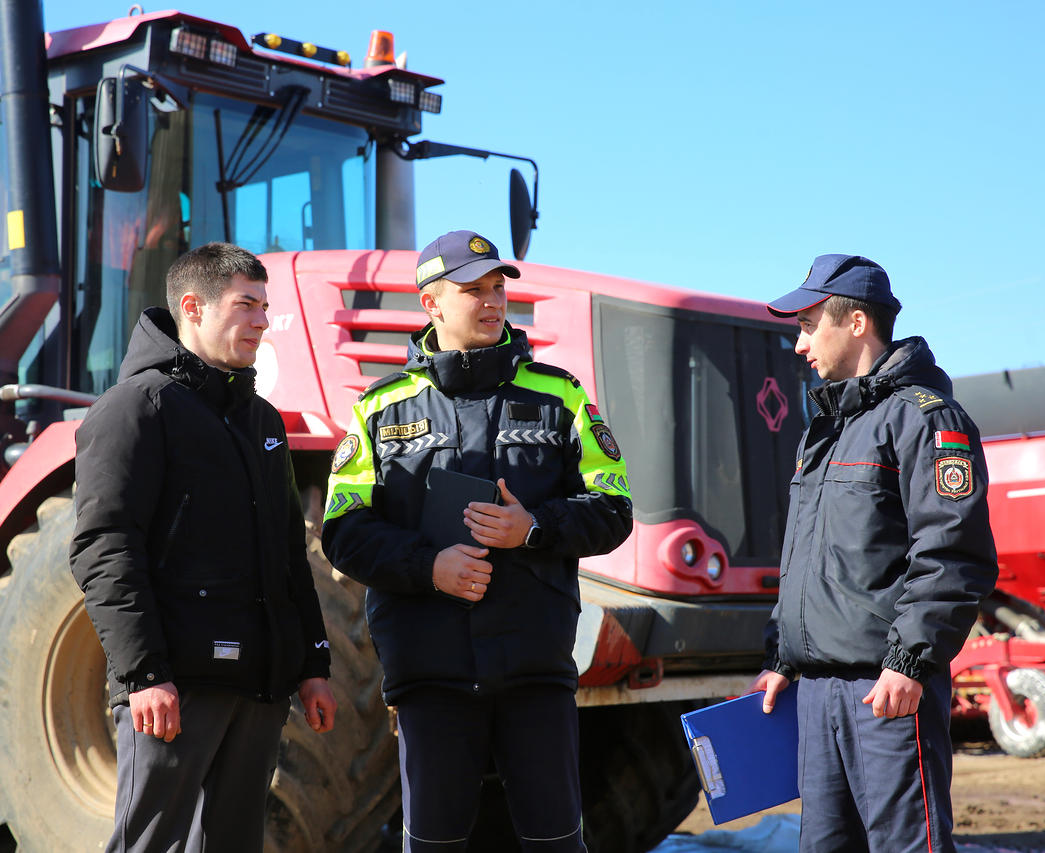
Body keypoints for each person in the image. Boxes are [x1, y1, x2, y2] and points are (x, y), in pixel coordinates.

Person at [322, 230, 633, 851]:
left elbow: (614, 508)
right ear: (431, 303)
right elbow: (343, 530)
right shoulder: (378, 408)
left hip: (535, 674)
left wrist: (533, 527)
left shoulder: (562, 396)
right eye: (473, 290)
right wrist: (429, 566)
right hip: (429, 676)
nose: (493, 302)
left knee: (556, 843)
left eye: (498, 288)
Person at [70, 242, 337, 851]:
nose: (263, 321)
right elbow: (104, 548)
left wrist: (312, 667)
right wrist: (145, 673)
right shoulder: (135, 409)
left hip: (259, 688)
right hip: (175, 689)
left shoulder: (263, 422)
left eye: (265, 306)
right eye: (246, 305)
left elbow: (289, 557)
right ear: (192, 307)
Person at [747, 254, 998, 853]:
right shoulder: (826, 429)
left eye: (809, 326)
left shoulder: (924, 420)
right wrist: (783, 659)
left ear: (856, 322)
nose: (800, 344)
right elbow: (806, 559)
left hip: (886, 690)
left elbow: (954, 553)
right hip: (818, 693)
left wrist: (910, 661)